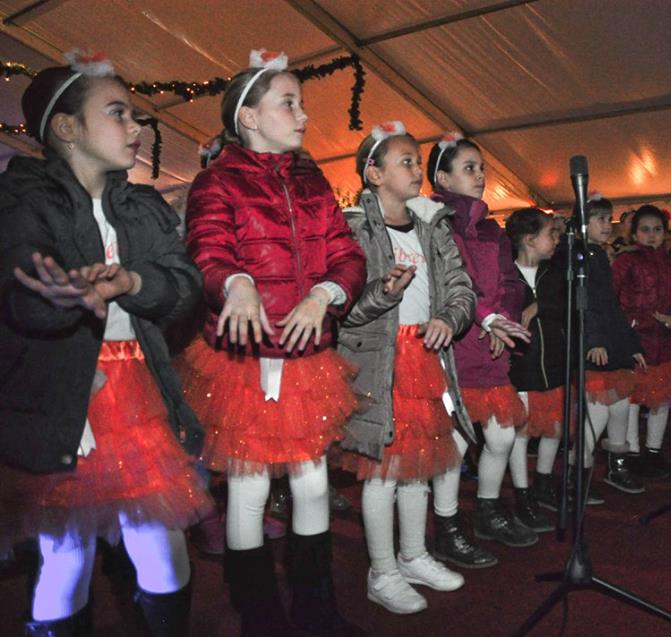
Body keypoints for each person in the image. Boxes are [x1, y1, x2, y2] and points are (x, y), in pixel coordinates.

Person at [0, 52, 211, 635]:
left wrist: (135, 282)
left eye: (135, 115)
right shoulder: (22, 198)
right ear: (67, 128)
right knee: (66, 555)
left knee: (163, 549)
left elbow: (185, 284)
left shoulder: (141, 205)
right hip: (65, 396)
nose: (136, 126)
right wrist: (60, 296)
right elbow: (19, 291)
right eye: (118, 113)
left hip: (136, 395)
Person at [180, 50, 366, 633]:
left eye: (301, 104)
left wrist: (325, 294)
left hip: (306, 357)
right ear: (249, 117)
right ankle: (259, 617)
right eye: (289, 103)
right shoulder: (216, 181)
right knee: (249, 485)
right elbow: (207, 250)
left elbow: (347, 254)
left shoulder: (313, 182)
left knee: (312, 480)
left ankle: (317, 611)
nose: (304, 116)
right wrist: (236, 284)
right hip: (247, 358)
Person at [337, 122, 475, 614]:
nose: (418, 170)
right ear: (374, 174)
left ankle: (413, 555)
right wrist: (383, 294)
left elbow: (461, 288)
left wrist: (448, 318)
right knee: (383, 471)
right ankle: (382, 571)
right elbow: (344, 308)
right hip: (380, 361)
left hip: (424, 358)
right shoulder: (353, 229)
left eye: (419, 161)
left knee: (420, 465)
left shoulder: (432, 225)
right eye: (406, 162)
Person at [428, 134, 536, 551]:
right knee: (454, 442)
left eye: (481, 168)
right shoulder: (435, 223)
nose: (479, 176)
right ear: (443, 178)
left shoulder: (492, 230)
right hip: (455, 345)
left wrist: (503, 320)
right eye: (468, 168)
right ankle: (447, 525)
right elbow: (455, 283)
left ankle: (488, 512)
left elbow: (510, 283)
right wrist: (488, 320)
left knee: (502, 438)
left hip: (493, 345)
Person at [612, 205, 671, 482]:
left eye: (657, 229)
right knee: (633, 399)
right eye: (645, 230)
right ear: (634, 234)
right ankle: (632, 452)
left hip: (664, 341)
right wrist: (631, 323)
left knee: (662, 399)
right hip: (635, 342)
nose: (652, 235)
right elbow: (612, 297)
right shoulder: (626, 261)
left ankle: (654, 451)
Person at [577, 197, 647, 498]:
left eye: (609, 219)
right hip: (595, 345)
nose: (607, 225)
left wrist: (631, 344)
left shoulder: (600, 256)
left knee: (620, 408)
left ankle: (617, 467)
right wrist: (594, 340)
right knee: (597, 415)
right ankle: (578, 476)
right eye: (600, 219)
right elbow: (584, 303)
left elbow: (612, 306)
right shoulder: (580, 256)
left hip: (613, 342)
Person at [504, 207, 563, 528]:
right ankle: (522, 492)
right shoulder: (506, 275)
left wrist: (542, 306)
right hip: (521, 367)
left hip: (553, 363)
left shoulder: (555, 273)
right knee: (521, 433)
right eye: (550, 233)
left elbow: (571, 306)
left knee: (554, 425)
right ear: (529, 239)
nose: (557, 239)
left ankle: (543, 481)